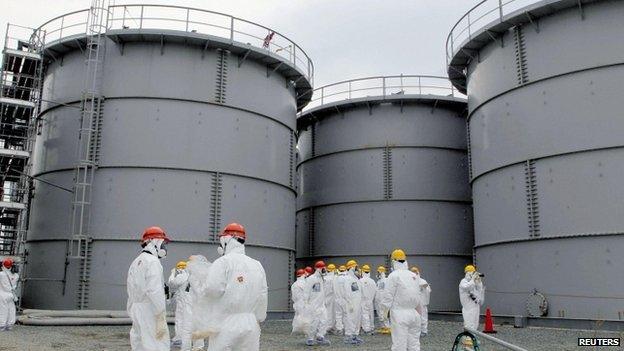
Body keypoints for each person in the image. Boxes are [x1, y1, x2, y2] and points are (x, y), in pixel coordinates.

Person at [201, 222, 268, 351]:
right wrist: (259, 318)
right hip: (251, 323)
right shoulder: (257, 265)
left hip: (225, 323)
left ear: (226, 240)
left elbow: (212, 290)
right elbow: (263, 294)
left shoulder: (222, 262)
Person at [127, 226, 171, 351]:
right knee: (157, 344)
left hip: (137, 308)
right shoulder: (153, 262)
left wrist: (131, 310)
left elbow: (130, 289)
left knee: (139, 343)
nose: (164, 248)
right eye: (163, 243)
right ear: (154, 241)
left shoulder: (136, 261)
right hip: (150, 308)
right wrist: (160, 314)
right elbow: (154, 290)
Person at [380, 249, 423, 351]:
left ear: (394, 261)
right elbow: (418, 296)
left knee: (399, 345)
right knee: (414, 345)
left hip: (399, 314)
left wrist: (384, 314)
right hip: (414, 314)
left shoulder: (393, 276)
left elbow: (388, 297)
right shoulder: (413, 275)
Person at [335, 259, 363, 345]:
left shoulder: (356, 279)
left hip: (357, 303)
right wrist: (350, 303)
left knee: (357, 319)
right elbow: (347, 292)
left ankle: (355, 335)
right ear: (351, 268)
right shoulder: (348, 279)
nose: (357, 270)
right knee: (350, 319)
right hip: (352, 303)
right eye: (356, 268)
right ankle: (349, 336)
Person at [186, 255, 211, 351]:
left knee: (197, 325)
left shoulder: (193, 276)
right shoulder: (198, 276)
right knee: (197, 325)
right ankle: (197, 346)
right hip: (198, 303)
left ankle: (198, 346)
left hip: (196, 304)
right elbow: (201, 290)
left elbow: (198, 290)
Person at [303, 260, 330, 346]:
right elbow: (306, 292)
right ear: (318, 269)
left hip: (321, 305)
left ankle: (320, 337)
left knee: (324, 320)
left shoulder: (322, 279)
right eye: (322, 268)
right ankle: (310, 338)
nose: (324, 270)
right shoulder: (311, 279)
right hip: (313, 305)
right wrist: (306, 303)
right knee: (313, 322)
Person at [168, 261, 193, 350]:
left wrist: (172, 273)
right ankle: (184, 340)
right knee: (186, 321)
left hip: (183, 303)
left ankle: (179, 339)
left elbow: (171, 283)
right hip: (188, 303)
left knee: (180, 320)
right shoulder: (190, 276)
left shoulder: (181, 276)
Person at [459, 265, 485, 331]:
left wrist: (479, 282)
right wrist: (473, 279)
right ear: (467, 273)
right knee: (469, 323)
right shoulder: (463, 281)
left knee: (475, 323)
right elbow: (467, 287)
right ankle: (467, 339)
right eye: (472, 273)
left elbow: (479, 292)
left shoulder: (473, 282)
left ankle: (472, 338)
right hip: (468, 307)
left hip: (475, 306)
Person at [410, 267, 431, 337]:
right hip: (414, 303)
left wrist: (424, 288)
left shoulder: (423, 281)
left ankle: (424, 331)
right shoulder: (410, 281)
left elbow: (429, 290)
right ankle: (416, 331)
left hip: (422, 302)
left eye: (415, 272)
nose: (415, 274)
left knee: (423, 317)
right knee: (414, 317)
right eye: (413, 272)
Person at [0, 258, 18, 331]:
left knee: (3, 310)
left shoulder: (1, 274)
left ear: (3, 265)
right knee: (11, 309)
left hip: (2, 294)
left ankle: (2, 325)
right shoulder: (16, 275)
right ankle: (10, 325)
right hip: (11, 295)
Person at [359, 264, 377, 335]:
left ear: (362, 271)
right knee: (371, 314)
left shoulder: (360, 281)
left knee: (364, 314)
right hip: (370, 300)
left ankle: (366, 329)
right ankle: (371, 327)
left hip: (363, 300)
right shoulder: (372, 281)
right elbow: (375, 291)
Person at [375, 265, 391, 334]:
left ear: (382, 272)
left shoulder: (386, 280)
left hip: (384, 301)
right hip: (378, 301)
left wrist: (386, 300)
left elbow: (387, 291)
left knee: (385, 314)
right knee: (380, 314)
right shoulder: (378, 282)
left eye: (379, 272)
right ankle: (383, 327)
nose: (378, 274)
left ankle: (388, 327)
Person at [291, 269, 308, 334]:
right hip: (303, 302)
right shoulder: (304, 283)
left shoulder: (294, 284)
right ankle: (304, 330)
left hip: (296, 302)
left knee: (297, 315)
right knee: (304, 316)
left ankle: (295, 329)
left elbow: (293, 296)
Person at [323, 264, 337, 334]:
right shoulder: (335, 278)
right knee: (332, 313)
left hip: (325, 297)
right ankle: (331, 327)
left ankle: (326, 327)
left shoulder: (324, 278)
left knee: (326, 313)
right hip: (332, 297)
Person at [333, 265, 347, 335]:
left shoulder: (335, 278)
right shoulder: (347, 278)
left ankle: (339, 329)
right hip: (345, 299)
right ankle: (346, 328)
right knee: (346, 314)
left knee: (338, 315)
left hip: (337, 299)